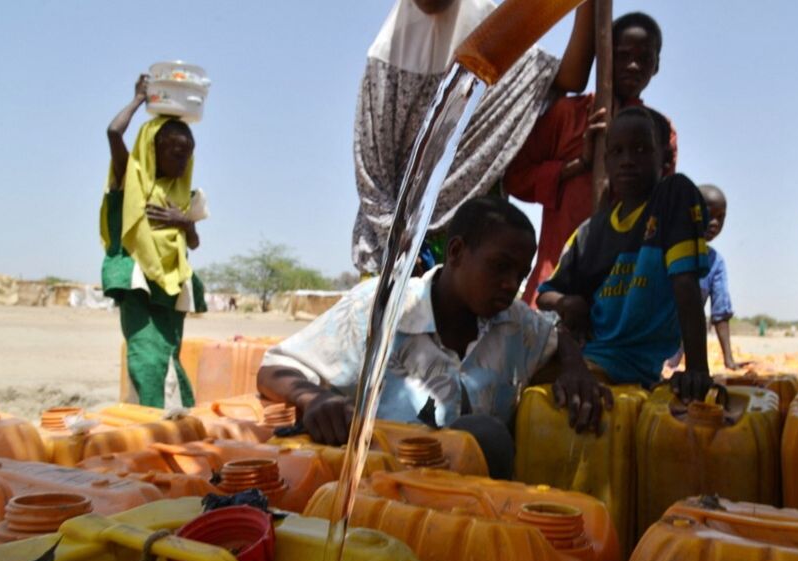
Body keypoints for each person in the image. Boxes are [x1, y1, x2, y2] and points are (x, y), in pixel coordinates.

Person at [259, 196, 612, 479]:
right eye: (499, 266)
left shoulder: (515, 323)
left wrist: (573, 365)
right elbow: (275, 367)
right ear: (457, 252)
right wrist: (315, 398)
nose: (511, 284)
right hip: (378, 490)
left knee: (484, 436)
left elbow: (554, 330)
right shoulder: (381, 309)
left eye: (520, 273)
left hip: (467, 510)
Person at [351, 0, 595, 276]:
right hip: (392, 242)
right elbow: (371, 177)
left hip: (476, 244)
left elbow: (571, 77)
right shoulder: (387, 59)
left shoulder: (493, 40)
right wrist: (401, 243)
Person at [536, 107, 712, 402]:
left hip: (631, 366)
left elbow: (685, 283)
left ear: (664, 159)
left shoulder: (673, 197)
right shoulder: (591, 231)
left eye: (641, 150)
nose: (627, 161)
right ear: (605, 162)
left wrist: (697, 369)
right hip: (591, 358)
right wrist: (568, 302)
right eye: (617, 152)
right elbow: (545, 295)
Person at [505, 11, 678, 306]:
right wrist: (579, 164)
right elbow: (515, 178)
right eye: (623, 55)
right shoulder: (567, 115)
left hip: (621, 291)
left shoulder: (659, 134)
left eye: (644, 58)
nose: (633, 66)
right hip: (554, 286)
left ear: (657, 65)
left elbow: (659, 212)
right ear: (604, 55)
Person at [100, 74, 208, 410]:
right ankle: (153, 422)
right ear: (153, 149)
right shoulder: (130, 176)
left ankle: (166, 418)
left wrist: (184, 222)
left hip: (172, 285)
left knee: (168, 355)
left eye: (187, 155)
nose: (182, 161)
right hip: (138, 282)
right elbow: (114, 132)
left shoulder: (184, 195)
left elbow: (193, 243)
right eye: (175, 153)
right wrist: (137, 101)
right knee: (147, 354)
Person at [665, 184, 748, 371]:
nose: (715, 223)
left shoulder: (715, 262)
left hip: (674, 358)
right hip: (647, 350)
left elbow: (720, 313)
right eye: (708, 214)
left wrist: (729, 360)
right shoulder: (663, 251)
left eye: (721, 217)